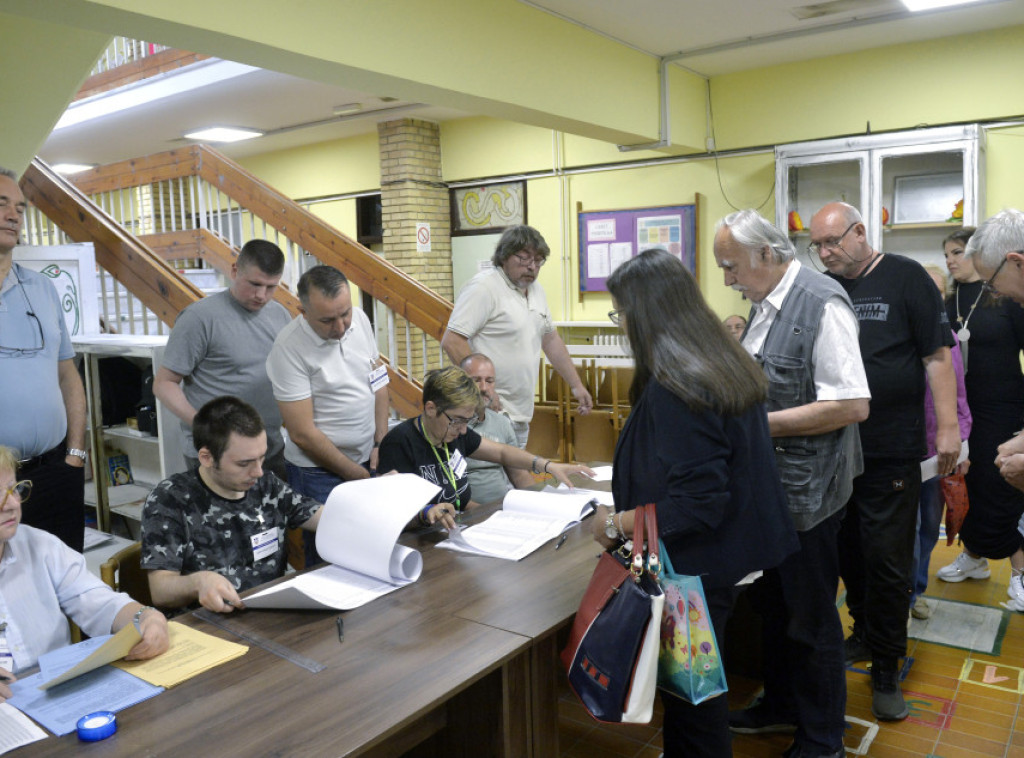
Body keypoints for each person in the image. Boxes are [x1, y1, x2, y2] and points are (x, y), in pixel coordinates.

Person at [593, 248, 799, 758]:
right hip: (727, 556)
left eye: (621, 314)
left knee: (692, 698)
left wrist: (619, 523)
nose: (621, 326)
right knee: (695, 692)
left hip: (697, 564)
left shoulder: (679, 383)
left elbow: (698, 502)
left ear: (645, 315)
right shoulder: (716, 359)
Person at [712, 210, 869, 758]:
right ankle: (779, 705)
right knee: (774, 610)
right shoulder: (764, 304)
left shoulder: (821, 304)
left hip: (810, 496)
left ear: (767, 255)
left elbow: (851, 404)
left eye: (731, 267)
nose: (727, 279)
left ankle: (823, 738)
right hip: (773, 492)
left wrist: (754, 426)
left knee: (811, 620)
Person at [810, 201, 960, 721]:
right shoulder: (827, 287)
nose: (825, 253)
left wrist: (947, 429)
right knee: (849, 554)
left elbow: (936, 355)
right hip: (835, 450)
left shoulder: (905, 277)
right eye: (818, 246)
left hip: (891, 447)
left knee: (888, 563)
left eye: (832, 242)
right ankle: (865, 634)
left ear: (859, 232)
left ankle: (888, 667)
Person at [0, 444, 168, 699]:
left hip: (56, 694)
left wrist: (146, 618)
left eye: (14, 490)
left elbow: (99, 602)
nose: (12, 504)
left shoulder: (40, 546)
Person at [140, 396, 324, 612]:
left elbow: (323, 518)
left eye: (261, 458)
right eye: (244, 463)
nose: (258, 472)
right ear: (207, 457)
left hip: (268, 615)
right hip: (207, 627)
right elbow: (160, 590)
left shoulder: (267, 485)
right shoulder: (170, 500)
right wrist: (199, 582)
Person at [266, 264, 388, 563]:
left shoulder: (359, 319)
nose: (341, 326)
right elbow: (302, 434)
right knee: (330, 557)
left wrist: (381, 442)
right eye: (328, 319)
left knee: (371, 545)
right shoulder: (288, 348)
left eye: (344, 312)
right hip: (317, 471)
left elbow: (380, 382)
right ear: (303, 312)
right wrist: (357, 475)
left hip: (366, 457)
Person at [378, 365, 593, 528]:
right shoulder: (399, 444)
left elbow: (501, 452)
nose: (463, 430)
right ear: (431, 408)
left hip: (459, 532)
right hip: (423, 543)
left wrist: (547, 466)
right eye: (457, 421)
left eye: (467, 421)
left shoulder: (454, 435)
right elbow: (388, 514)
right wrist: (426, 513)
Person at [0, 167, 88, 552]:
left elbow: (68, 376)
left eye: (19, 207)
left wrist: (75, 453)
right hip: (1, 485)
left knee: (64, 584)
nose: (13, 215)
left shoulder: (42, 288)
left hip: (55, 472)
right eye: (1, 204)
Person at [441, 225, 593, 448]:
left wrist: (577, 385)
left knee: (515, 478)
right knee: (491, 480)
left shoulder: (536, 290)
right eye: (523, 258)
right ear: (504, 257)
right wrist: (482, 392)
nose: (532, 266)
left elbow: (550, 340)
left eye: (538, 261)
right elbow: (452, 341)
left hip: (520, 413)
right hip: (488, 411)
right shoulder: (484, 287)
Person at [154, 239, 292, 476]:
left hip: (268, 448)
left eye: (271, 287)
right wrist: (204, 425)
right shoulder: (199, 318)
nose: (261, 295)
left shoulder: (280, 315)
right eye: (254, 284)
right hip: (217, 453)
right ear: (235, 271)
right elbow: (164, 384)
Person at [952, 212, 1024, 611]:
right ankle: (976, 554)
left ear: (1016, 262)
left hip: (1005, 408)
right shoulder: (955, 301)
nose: (997, 293)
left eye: (994, 282)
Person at [914, 264, 971, 619]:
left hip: (937, 455)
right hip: (898, 454)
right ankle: (895, 598)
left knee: (927, 527)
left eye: (936, 293)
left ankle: (914, 590)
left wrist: (962, 446)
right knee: (898, 532)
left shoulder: (947, 338)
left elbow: (961, 398)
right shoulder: (893, 337)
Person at [460, 353, 534, 504]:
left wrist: (539, 501)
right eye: (476, 380)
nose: (484, 388)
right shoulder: (452, 426)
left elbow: (519, 475)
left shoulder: (502, 423)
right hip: (466, 513)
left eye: (489, 381)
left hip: (502, 509)